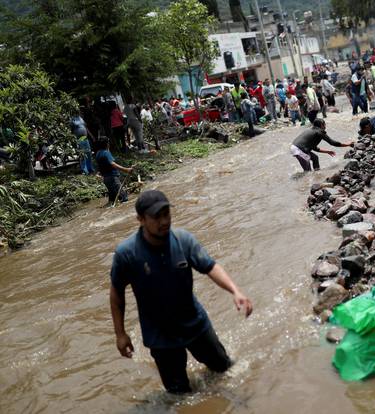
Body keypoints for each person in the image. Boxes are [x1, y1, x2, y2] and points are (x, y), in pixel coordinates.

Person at [109, 190, 253, 394]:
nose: (164, 221)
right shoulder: (127, 254)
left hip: (195, 324)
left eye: (166, 214)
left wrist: (235, 291)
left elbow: (210, 267)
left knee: (226, 370)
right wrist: (120, 333)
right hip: (160, 337)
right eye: (156, 217)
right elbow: (116, 294)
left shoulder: (183, 240)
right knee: (179, 394)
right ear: (140, 219)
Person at [95, 137, 132, 204]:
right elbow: (113, 164)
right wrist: (126, 169)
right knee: (124, 198)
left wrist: (98, 173)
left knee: (112, 201)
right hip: (113, 178)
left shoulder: (98, 153)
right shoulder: (106, 153)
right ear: (107, 144)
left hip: (106, 179)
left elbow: (101, 165)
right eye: (108, 142)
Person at [71, 111, 95, 175]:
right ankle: (84, 170)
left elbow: (85, 127)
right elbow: (71, 130)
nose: (78, 111)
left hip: (85, 138)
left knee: (89, 153)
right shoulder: (72, 119)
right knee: (82, 155)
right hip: (79, 139)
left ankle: (90, 169)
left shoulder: (81, 118)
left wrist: (91, 136)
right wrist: (73, 140)